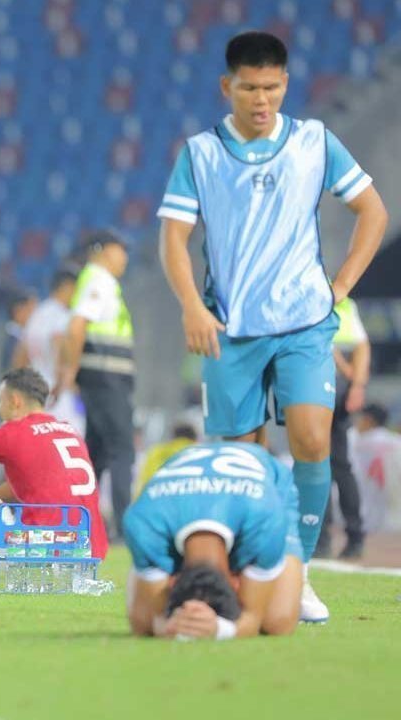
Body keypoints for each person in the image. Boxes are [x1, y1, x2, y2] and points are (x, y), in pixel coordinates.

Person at [157, 31, 388, 621]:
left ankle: (298, 574)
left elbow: (373, 210)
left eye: (271, 88)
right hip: (230, 328)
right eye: (249, 88)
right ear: (227, 86)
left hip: (304, 323)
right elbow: (174, 238)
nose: (261, 99)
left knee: (312, 439)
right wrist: (191, 305)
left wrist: (341, 286)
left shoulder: (315, 141)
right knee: (244, 462)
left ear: (285, 84)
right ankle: (251, 572)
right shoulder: (201, 154)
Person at [124, 442, 303, 639]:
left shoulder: (266, 519)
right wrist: (174, 625)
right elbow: (157, 619)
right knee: (141, 622)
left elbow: (253, 618)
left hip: (269, 481)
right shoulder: (142, 524)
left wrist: (219, 629)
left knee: (278, 621)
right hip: (186, 489)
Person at [0, 367, 109, 560]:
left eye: (1, 401)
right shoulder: (70, 431)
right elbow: (35, 484)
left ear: (15, 401)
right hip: (89, 552)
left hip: (39, 551)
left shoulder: (9, 433)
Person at [57, 231, 135, 539]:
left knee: (97, 453)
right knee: (122, 449)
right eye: (120, 250)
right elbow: (76, 327)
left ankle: (80, 519)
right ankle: (125, 527)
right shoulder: (98, 279)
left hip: (103, 378)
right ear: (102, 251)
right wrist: (71, 371)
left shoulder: (99, 280)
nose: (124, 257)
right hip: (105, 378)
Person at [321, 297, 371, 558]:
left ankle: (323, 539)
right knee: (338, 466)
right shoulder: (344, 303)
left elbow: (356, 346)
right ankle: (353, 537)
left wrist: (354, 379)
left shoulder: (319, 295)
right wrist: (357, 383)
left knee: (319, 464)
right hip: (339, 385)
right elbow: (362, 345)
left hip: (324, 384)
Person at [19, 267, 84, 431]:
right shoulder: (62, 316)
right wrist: (67, 380)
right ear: (67, 287)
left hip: (36, 392)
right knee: (71, 437)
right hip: (58, 393)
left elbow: (22, 354)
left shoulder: (37, 314)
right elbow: (59, 345)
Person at [351, 404, 401, 535]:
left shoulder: (356, 441)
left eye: (359, 418)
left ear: (369, 420)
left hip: (365, 517)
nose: (357, 422)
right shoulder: (396, 441)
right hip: (394, 517)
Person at [135, 422, 200, 498]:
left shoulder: (155, 453)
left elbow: (142, 484)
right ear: (195, 440)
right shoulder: (198, 454)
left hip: (154, 501)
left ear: (174, 437)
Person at [0, 290, 37, 374]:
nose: (37, 315)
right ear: (18, 311)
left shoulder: (19, 337)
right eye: (32, 309)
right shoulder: (13, 341)